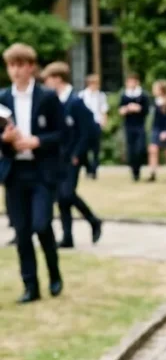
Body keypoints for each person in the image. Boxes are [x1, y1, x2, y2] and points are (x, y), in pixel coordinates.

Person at [0, 43, 64, 303]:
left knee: (41, 224)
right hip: (15, 172)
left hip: (41, 171)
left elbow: (62, 134)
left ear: (30, 67)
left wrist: (37, 141)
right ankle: (30, 286)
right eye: (11, 65)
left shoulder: (47, 97)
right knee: (22, 231)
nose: (15, 71)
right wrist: (6, 140)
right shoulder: (3, 98)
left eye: (20, 65)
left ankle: (54, 273)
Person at [41, 61, 103, 249]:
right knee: (62, 198)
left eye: (48, 80)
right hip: (58, 156)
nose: (46, 84)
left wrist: (78, 153)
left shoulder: (76, 102)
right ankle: (68, 237)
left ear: (58, 79)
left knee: (66, 194)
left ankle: (93, 220)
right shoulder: (54, 101)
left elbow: (87, 131)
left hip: (72, 157)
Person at [118, 74, 150, 182]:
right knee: (131, 149)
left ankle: (139, 166)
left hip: (140, 125)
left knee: (140, 148)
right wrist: (127, 109)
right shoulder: (124, 95)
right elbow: (120, 110)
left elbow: (147, 110)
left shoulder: (142, 95)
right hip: (129, 125)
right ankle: (134, 172)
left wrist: (138, 109)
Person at [79, 72, 108, 178]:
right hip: (84, 124)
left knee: (96, 149)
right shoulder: (82, 95)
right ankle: (88, 168)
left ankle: (94, 171)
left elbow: (103, 109)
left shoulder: (101, 96)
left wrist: (104, 121)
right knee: (84, 149)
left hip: (96, 123)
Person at [148, 79, 166, 182]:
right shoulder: (154, 102)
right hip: (156, 129)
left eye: (155, 88)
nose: (153, 90)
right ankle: (152, 173)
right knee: (153, 150)